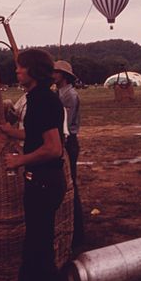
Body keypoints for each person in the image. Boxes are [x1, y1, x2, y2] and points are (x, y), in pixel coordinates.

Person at [0, 49, 66, 281]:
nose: (16, 70)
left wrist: (19, 160)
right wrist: (9, 131)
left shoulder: (43, 101)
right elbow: (36, 134)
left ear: (33, 70)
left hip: (44, 182)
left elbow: (52, 148)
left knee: (38, 247)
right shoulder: (36, 98)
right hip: (42, 181)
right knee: (37, 243)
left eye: (21, 66)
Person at [53, 60, 84, 249]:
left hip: (67, 141)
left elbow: (64, 123)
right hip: (63, 140)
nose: (52, 75)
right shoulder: (59, 93)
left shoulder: (69, 95)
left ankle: (77, 231)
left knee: (70, 183)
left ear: (63, 76)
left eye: (55, 72)